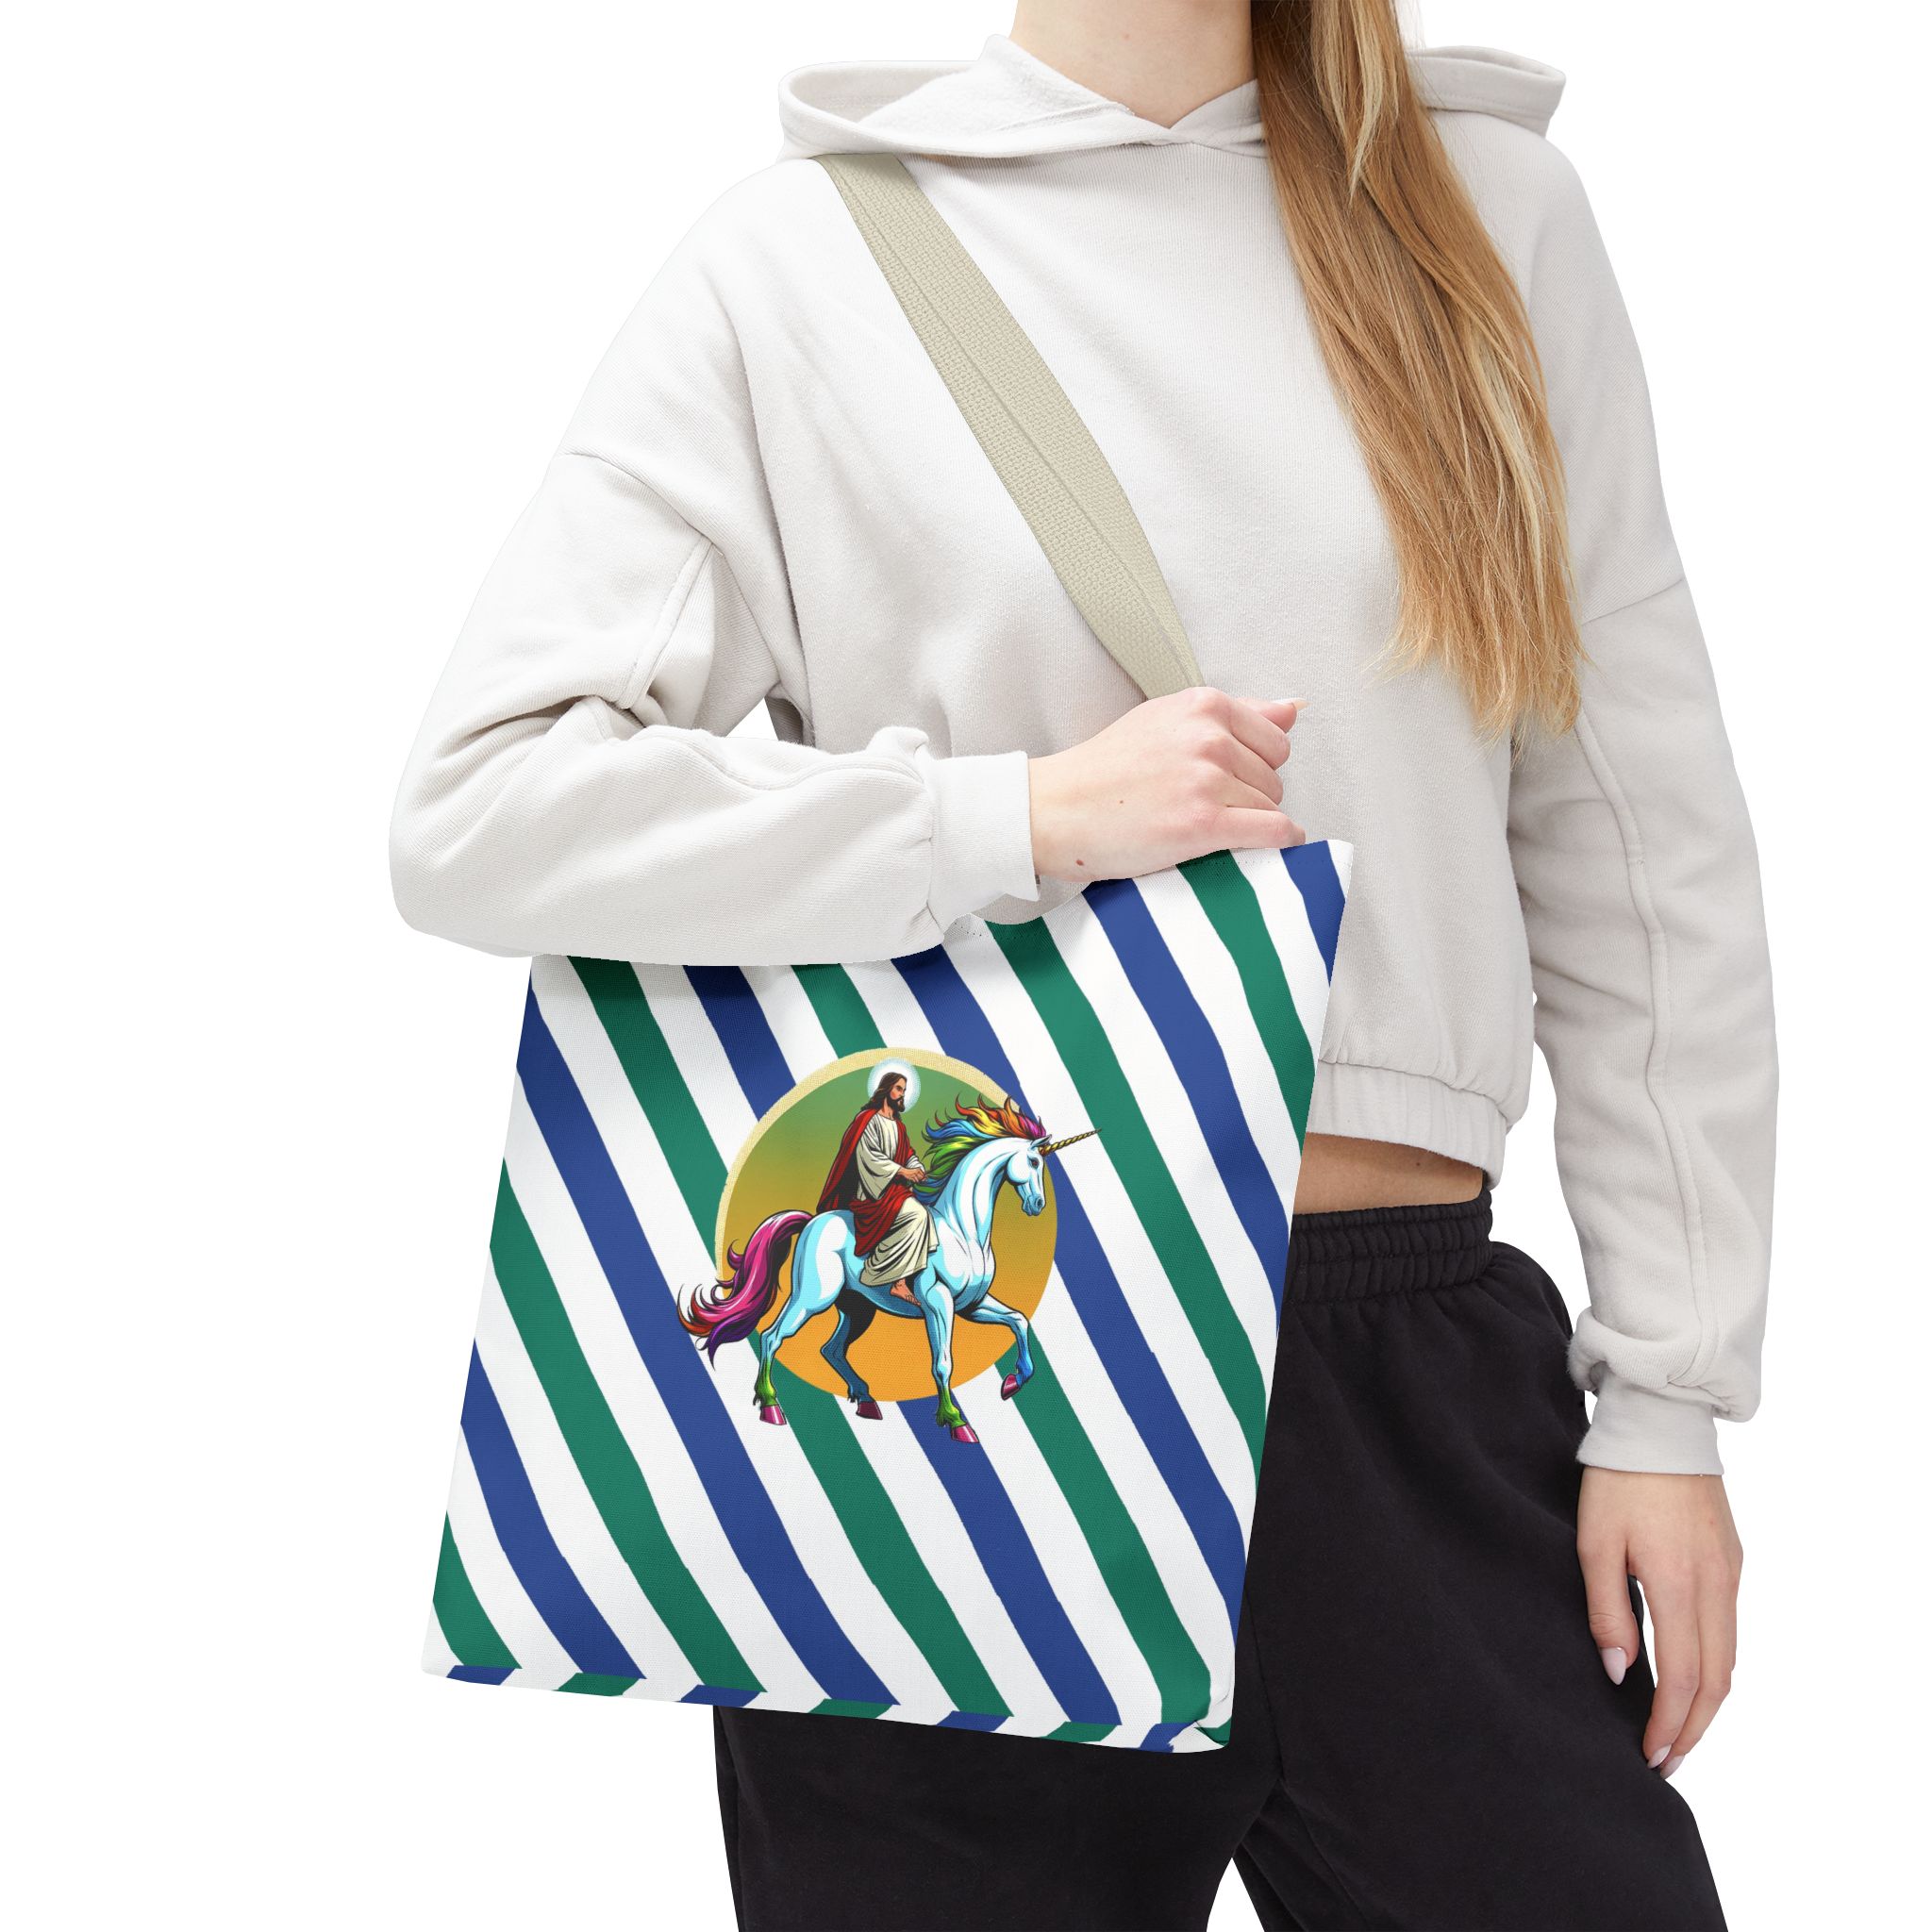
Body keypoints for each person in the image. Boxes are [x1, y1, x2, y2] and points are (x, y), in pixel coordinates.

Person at [389, 4, 1774, 1926]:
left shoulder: (1482, 210)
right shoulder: (799, 262)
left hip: (1398, 1353)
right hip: (964, 1396)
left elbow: (1637, 846)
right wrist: (1013, 817)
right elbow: (481, 806)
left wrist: (1666, 1399)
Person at [818, 1071, 935, 1302]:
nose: (902, 1094)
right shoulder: (868, 1119)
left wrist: (916, 1169)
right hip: (872, 1193)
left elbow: (908, 1154)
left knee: (924, 1213)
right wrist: (903, 1172)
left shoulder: (898, 1126)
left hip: (893, 1190)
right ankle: (891, 1279)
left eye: (904, 1090)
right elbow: (870, 1158)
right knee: (918, 1215)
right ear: (886, 1088)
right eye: (899, 1088)